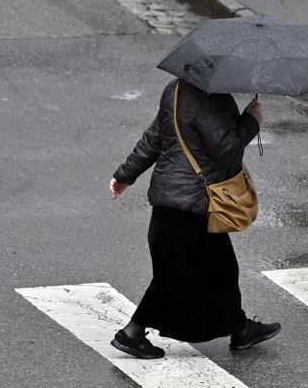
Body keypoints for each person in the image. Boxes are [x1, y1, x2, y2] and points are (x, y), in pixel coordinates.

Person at [108, 79, 281, 359]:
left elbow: (155, 137)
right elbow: (226, 147)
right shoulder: (209, 99)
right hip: (189, 204)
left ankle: (240, 329)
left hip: (176, 201)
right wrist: (251, 120)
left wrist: (126, 174)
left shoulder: (176, 89)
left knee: (222, 268)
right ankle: (132, 333)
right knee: (172, 277)